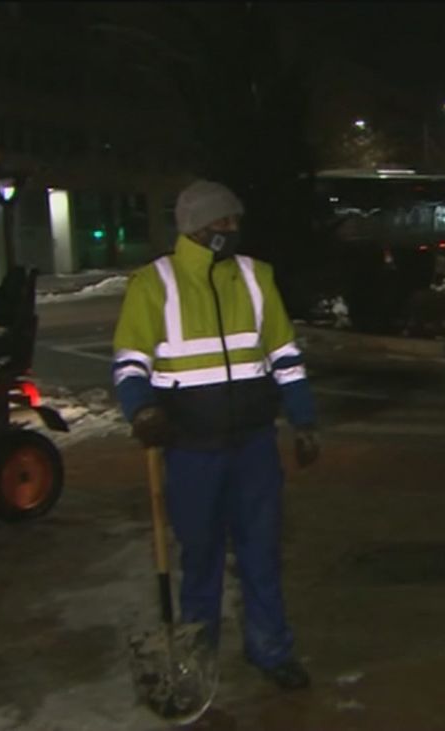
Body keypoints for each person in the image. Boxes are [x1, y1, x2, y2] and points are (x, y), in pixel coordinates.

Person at [111, 180, 320, 691]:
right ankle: (197, 660)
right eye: (222, 223)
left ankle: (270, 650)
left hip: (253, 445)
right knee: (200, 560)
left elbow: (284, 358)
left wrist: (304, 419)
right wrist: (141, 412)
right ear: (196, 227)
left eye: (234, 222)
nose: (231, 230)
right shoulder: (153, 284)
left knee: (261, 554)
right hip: (190, 451)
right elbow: (129, 365)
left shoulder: (254, 278)